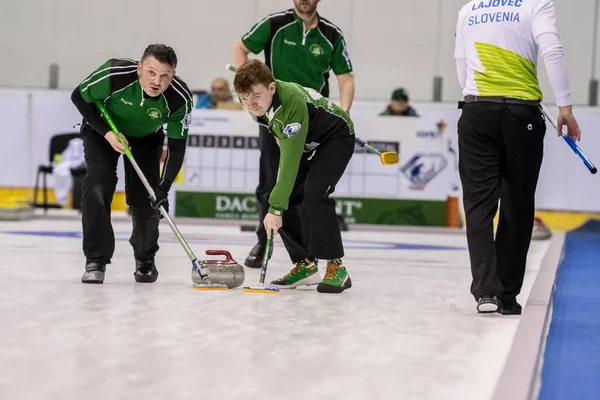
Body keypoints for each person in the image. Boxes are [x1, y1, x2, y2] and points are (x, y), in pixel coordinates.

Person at [454, 0, 581, 314]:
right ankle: (507, 296)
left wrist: (479, 101)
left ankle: (485, 291)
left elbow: (461, 65)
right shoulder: (536, 5)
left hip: (476, 110)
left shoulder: (469, 9)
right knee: (517, 205)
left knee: (479, 206)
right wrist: (564, 106)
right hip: (521, 114)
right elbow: (552, 50)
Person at [232, 0, 355, 269]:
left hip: (314, 122)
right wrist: (253, 89)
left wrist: (343, 112)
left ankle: (330, 262)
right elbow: (240, 49)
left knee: (307, 190)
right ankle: (294, 257)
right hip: (274, 112)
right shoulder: (274, 24)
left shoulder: (331, 34)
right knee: (274, 187)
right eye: (245, 98)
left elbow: (346, 79)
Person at [71, 44, 193, 284]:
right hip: (103, 131)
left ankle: (145, 259)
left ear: (173, 75)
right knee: (98, 184)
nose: (157, 81)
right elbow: (79, 96)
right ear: (139, 69)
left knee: (146, 199)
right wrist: (108, 134)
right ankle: (96, 259)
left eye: (165, 76)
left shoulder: (180, 99)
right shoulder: (114, 74)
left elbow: (177, 147)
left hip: (146, 139)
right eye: (151, 72)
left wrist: (164, 187)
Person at [233, 59, 353, 293]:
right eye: (244, 98)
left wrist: (275, 209)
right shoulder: (257, 108)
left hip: (335, 137)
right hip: (308, 142)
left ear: (271, 88)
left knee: (314, 193)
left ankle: (336, 267)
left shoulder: (292, 104)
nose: (250, 104)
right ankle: (304, 264)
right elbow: (279, 138)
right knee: (277, 194)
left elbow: (289, 161)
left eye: (255, 96)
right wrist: (277, 204)